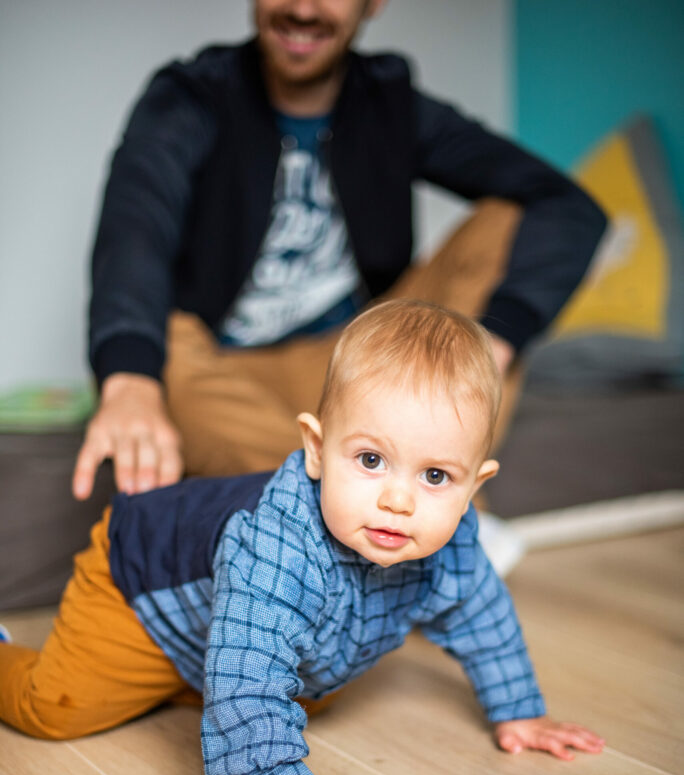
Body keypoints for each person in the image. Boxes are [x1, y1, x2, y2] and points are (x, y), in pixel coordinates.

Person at [2, 300, 605, 775]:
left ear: (474, 486)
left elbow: (480, 615)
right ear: (316, 450)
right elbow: (245, 691)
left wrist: (519, 709)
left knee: (304, 683)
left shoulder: (452, 544)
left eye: (436, 475)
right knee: (58, 708)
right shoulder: (275, 550)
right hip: (136, 583)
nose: (398, 500)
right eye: (370, 460)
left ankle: (197, 672)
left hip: (231, 622)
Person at [72, 0, 606, 504]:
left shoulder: (392, 103)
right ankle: (411, 523)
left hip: (358, 361)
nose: (304, 9)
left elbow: (569, 207)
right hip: (222, 371)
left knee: (509, 221)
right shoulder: (190, 97)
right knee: (162, 344)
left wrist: (496, 342)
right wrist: (129, 383)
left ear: (374, 2)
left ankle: (395, 504)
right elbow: (133, 233)